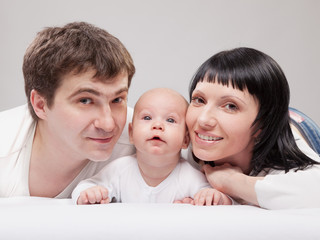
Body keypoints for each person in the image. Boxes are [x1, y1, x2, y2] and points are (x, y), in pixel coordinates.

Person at [0, 22, 137, 198]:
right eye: (85, 100)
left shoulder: (144, 138)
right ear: (40, 105)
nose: (108, 124)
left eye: (117, 99)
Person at [182, 47, 320, 209]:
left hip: (295, 125)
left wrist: (233, 182)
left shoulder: (284, 154)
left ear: (263, 123)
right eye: (199, 100)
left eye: (231, 106)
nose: (203, 119)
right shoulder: (191, 140)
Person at [72, 88, 232, 205]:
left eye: (170, 120)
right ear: (132, 133)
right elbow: (86, 185)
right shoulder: (120, 169)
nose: (157, 125)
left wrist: (214, 197)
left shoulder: (190, 176)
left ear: (185, 139)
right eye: (147, 117)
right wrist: (89, 193)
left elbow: (222, 199)